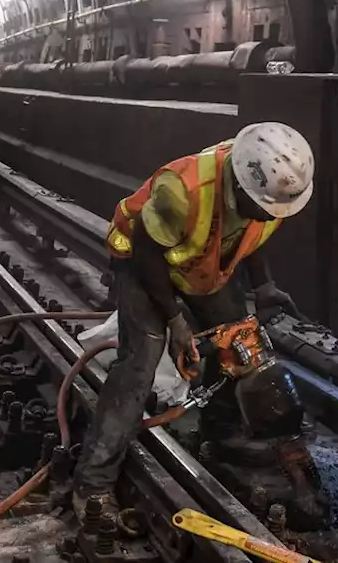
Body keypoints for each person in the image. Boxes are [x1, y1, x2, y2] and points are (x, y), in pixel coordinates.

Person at [73, 122, 315, 518]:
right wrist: (174, 321)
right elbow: (147, 254)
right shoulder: (182, 190)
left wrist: (265, 286)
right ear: (239, 185)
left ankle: (221, 437)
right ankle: (93, 483)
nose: (271, 215)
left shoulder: (267, 190)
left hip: (197, 263)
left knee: (238, 348)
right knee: (140, 363)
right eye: (264, 207)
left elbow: (250, 232)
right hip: (142, 264)